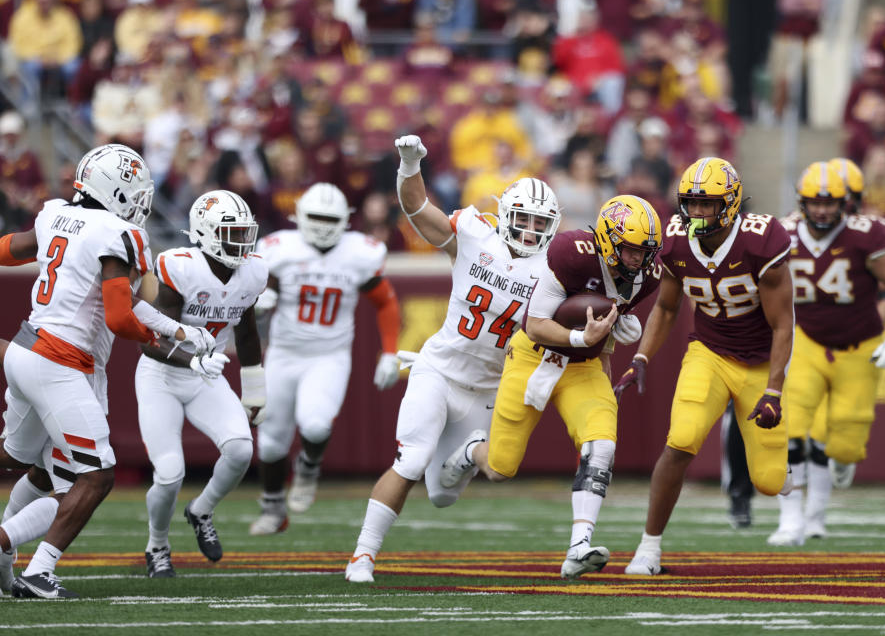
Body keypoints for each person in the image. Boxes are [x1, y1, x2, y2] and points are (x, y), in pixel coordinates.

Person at [0, 143, 216, 598]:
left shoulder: (56, 214)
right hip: (60, 363)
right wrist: (163, 339)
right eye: (134, 191)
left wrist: (177, 331)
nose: (140, 200)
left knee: (22, 462)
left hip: (24, 349)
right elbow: (120, 317)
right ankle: (39, 573)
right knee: (95, 476)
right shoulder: (117, 234)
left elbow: (12, 249)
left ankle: (6, 545)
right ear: (114, 190)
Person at [345, 135, 561, 583]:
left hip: (489, 387)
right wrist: (408, 167)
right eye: (522, 220)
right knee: (411, 459)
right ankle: (363, 556)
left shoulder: (554, 273)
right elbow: (417, 210)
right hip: (439, 370)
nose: (529, 232)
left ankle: (464, 454)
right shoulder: (474, 234)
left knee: (447, 494)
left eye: (540, 224)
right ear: (504, 215)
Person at [440, 195, 663, 580]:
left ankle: (579, 546)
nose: (636, 260)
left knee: (601, 443)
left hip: (583, 367)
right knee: (500, 468)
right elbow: (536, 324)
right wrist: (582, 338)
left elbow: (603, 339)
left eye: (644, 252)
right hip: (533, 356)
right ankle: (472, 451)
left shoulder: (648, 276)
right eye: (629, 250)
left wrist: (602, 383)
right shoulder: (571, 252)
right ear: (608, 239)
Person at [619, 156, 795, 576]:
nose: (696, 212)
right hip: (710, 352)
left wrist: (773, 389)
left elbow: (783, 322)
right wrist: (641, 355)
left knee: (769, 483)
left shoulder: (761, 240)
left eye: (707, 204)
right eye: (691, 203)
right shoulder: (675, 241)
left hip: (759, 359)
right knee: (680, 441)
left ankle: (788, 466)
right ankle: (649, 548)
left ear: (730, 204)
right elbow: (664, 308)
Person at [767, 162, 885, 546]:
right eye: (814, 202)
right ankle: (792, 519)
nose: (821, 210)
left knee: (845, 445)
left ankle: (817, 510)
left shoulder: (866, 234)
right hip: (806, 341)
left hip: (858, 343)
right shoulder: (781, 234)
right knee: (791, 427)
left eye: (830, 202)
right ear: (801, 202)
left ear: (844, 202)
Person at [248, 182, 402, 535]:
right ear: (299, 215)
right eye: (315, 216)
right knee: (270, 441)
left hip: (328, 355)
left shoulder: (358, 252)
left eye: (328, 218)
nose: (320, 224)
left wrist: (390, 351)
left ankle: (309, 466)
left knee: (316, 424)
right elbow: (254, 295)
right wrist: (259, 302)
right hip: (284, 353)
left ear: (345, 220)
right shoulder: (278, 249)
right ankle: (272, 506)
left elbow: (385, 302)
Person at [135, 189, 268, 577]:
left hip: (205, 377)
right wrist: (193, 358)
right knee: (170, 472)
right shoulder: (181, 267)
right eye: (233, 233)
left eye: (246, 233)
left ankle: (201, 510)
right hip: (162, 376)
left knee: (241, 449)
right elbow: (152, 341)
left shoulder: (253, 272)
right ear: (206, 233)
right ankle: (157, 544)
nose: (242, 242)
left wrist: (255, 388)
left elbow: (246, 333)